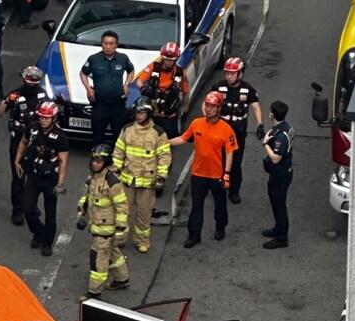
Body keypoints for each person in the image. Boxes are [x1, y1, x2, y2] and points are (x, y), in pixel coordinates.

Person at [169, 91, 237, 248]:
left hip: (217, 176)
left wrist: (226, 174)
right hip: (198, 174)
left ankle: (220, 227)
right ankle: (194, 234)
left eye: (213, 107)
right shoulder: (196, 124)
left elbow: (230, 152)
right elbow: (183, 138)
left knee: (220, 204)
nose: (209, 109)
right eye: (207, 105)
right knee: (196, 205)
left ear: (219, 108)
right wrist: (164, 142)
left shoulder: (226, 129)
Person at [112, 97, 170, 253]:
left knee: (144, 215)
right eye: (137, 112)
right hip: (127, 181)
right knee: (122, 213)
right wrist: (114, 171)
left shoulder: (158, 133)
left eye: (142, 112)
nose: (139, 115)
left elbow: (164, 157)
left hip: (147, 184)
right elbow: (118, 153)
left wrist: (161, 177)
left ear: (149, 113)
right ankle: (119, 240)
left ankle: (142, 241)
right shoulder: (127, 129)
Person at [14, 101, 70, 256]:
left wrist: (60, 183)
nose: (43, 120)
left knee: (50, 212)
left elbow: (63, 160)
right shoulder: (32, 129)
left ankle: (47, 242)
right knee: (27, 208)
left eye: (47, 118)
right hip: (33, 175)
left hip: (50, 178)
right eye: (41, 117)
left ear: (53, 118)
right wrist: (17, 160)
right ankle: (39, 232)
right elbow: (23, 142)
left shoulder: (60, 137)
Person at [0, 66, 47, 226]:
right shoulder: (15, 95)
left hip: (36, 142)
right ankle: (17, 209)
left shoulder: (43, 95)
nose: (30, 83)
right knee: (18, 177)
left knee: (35, 176)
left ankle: (31, 205)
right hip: (18, 141)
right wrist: (7, 101)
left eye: (33, 80)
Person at [78, 144, 129, 298]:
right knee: (113, 252)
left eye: (99, 161)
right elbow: (88, 198)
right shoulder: (93, 178)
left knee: (98, 260)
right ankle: (122, 279)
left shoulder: (112, 182)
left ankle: (94, 292)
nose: (95, 163)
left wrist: (120, 229)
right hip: (99, 226)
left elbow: (122, 206)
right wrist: (82, 212)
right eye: (94, 160)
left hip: (105, 229)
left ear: (106, 162)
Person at [214, 57, 263, 203]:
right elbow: (207, 103)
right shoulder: (218, 87)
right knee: (218, 160)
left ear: (240, 73)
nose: (229, 76)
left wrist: (260, 124)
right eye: (227, 73)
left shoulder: (247, 89)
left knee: (235, 163)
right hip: (220, 132)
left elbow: (255, 106)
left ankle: (234, 191)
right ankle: (218, 186)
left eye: (232, 73)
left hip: (237, 134)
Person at [80, 31, 134, 149]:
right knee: (97, 136)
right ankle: (97, 160)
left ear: (116, 45)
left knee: (119, 136)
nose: (108, 46)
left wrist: (127, 84)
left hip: (118, 105)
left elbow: (131, 70)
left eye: (111, 44)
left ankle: (117, 161)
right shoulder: (94, 59)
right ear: (102, 44)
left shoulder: (123, 58)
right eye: (106, 43)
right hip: (100, 105)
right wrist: (88, 89)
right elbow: (83, 73)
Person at [136, 41, 189, 138]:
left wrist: (184, 109)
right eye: (166, 59)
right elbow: (139, 80)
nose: (169, 62)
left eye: (171, 60)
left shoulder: (180, 72)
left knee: (169, 137)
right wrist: (144, 88)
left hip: (169, 113)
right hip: (153, 111)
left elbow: (185, 91)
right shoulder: (153, 66)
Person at [261, 100, 294, 250]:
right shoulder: (286, 128)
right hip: (282, 172)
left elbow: (276, 158)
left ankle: (282, 237)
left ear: (272, 115)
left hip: (280, 174)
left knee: (279, 205)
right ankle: (278, 228)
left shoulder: (281, 136)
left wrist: (266, 144)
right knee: (276, 203)